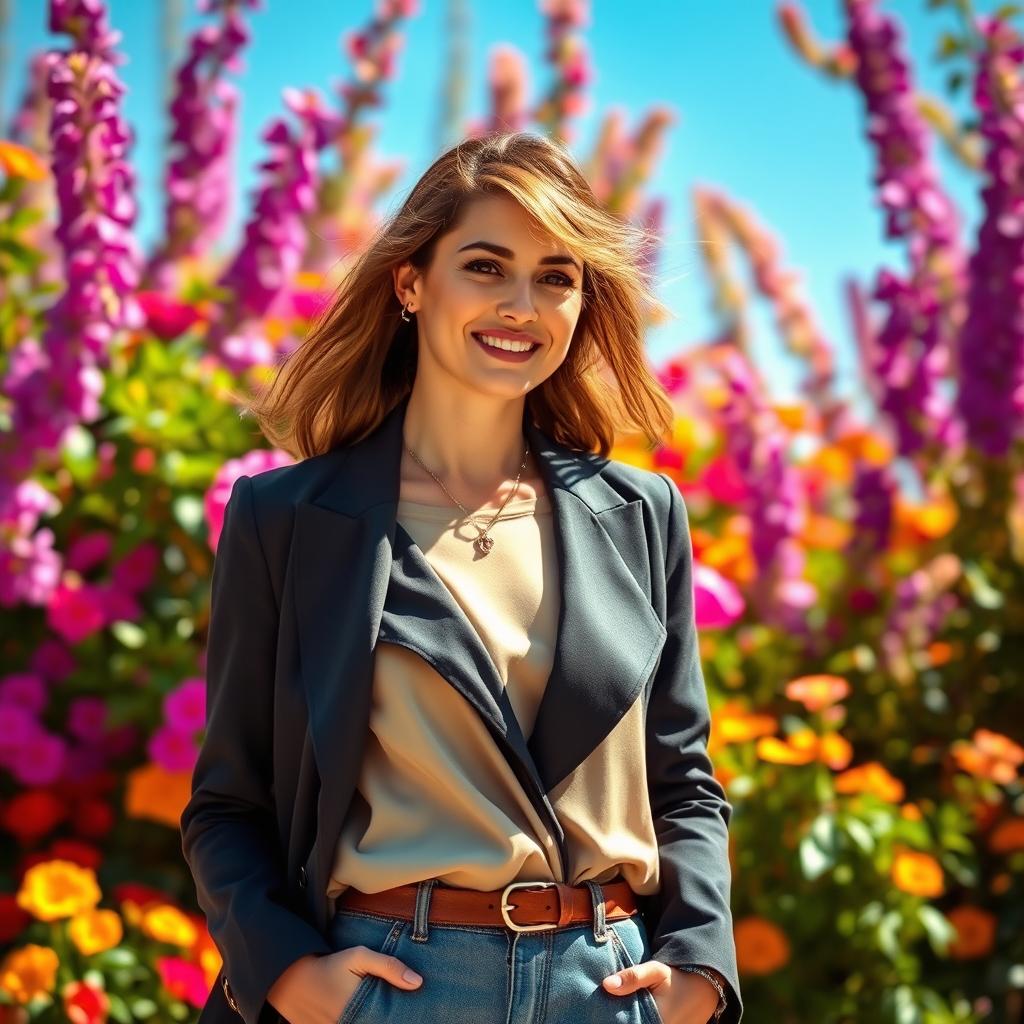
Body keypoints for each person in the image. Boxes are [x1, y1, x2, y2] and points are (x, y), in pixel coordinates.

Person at [180, 130, 742, 1024]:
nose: (522, 304)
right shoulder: (288, 520)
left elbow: (684, 784)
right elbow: (228, 804)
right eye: (486, 266)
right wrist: (291, 978)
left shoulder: (641, 515)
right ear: (411, 283)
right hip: (395, 987)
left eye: (557, 276)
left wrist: (700, 972)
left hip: (606, 991)